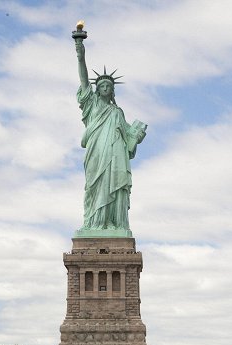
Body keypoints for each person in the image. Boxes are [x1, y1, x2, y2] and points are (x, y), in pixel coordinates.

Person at [74, 32, 146, 233]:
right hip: (97, 152)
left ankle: (114, 223)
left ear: (113, 91)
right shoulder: (92, 104)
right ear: (97, 90)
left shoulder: (117, 112)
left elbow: (129, 139)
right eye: (102, 85)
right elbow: (83, 79)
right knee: (95, 186)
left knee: (114, 184)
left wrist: (137, 135)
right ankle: (94, 223)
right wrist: (80, 53)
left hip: (116, 156)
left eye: (109, 86)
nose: (105, 87)